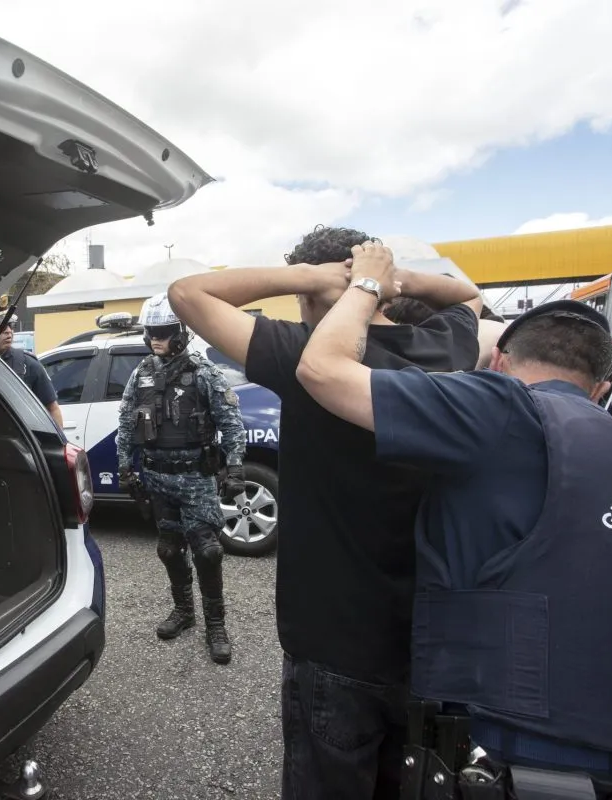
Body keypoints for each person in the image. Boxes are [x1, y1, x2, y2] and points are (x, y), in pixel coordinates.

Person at [295, 240, 612, 798]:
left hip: (526, 752)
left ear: (498, 363)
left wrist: (368, 281)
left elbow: (321, 369)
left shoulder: (502, 407)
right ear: (602, 389)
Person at [167, 224, 482, 799]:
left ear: (316, 290)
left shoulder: (304, 355)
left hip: (336, 637)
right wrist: (388, 278)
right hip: (433, 637)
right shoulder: (446, 345)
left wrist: (321, 278)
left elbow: (187, 293)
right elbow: (468, 295)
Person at [115, 292, 247, 665]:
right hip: (157, 477)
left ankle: (216, 625)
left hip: (195, 477)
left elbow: (230, 422)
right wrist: (124, 465)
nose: (155, 338)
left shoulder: (204, 372)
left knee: (207, 551)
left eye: (164, 331)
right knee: (169, 550)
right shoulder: (141, 374)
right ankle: (184, 612)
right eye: (151, 331)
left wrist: (235, 467)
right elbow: (126, 421)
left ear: (181, 333)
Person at [0, 299, 64, 428]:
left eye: (11, 325)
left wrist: (57, 439)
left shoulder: (28, 364)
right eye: (0, 325)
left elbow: (52, 409)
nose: (8, 331)